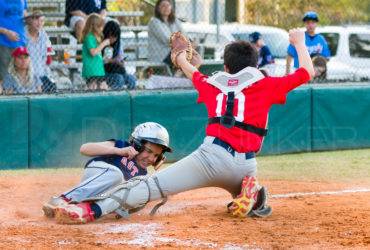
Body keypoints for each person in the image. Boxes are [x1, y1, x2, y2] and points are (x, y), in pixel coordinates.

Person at [53, 28, 314, 224]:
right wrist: (299, 42)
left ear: (225, 67)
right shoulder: (267, 83)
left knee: (150, 187)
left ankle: (88, 210)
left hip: (212, 158)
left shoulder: (213, 83)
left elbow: (188, 68)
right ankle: (253, 194)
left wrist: (180, 57)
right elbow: (308, 72)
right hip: (246, 164)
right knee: (246, 182)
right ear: (255, 66)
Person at [42, 122, 172, 218]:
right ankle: (62, 199)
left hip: (103, 193)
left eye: (156, 155)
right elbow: (85, 148)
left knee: (131, 192)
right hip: (97, 172)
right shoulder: (122, 146)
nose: (151, 158)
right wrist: (119, 151)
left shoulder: (143, 174)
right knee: (116, 175)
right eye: (149, 151)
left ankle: (74, 210)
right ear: (137, 144)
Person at [147, 0, 193, 76]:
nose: (166, 8)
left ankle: (178, 76)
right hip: (162, 53)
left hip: (177, 50)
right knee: (188, 53)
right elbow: (166, 40)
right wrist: (185, 43)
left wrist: (190, 42)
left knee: (194, 50)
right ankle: (177, 76)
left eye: (168, 5)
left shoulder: (174, 21)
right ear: (158, 9)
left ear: (171, 7)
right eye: (163, 6)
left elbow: (185, 35)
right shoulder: (154, 22)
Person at [25, 10, 56, 94]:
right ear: (31, 20)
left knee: (53, 87)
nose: (39, 23)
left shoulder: (44, 36)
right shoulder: (24, 35)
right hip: (26, 75)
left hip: (41, 74)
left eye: (41, 21)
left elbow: (48, 58)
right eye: (36, 20)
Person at [0, 0, 28, 93]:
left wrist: (30, 20)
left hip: (21, 41)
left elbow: (24, 14)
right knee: (3, 77)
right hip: (3, 43)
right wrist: (6, 32)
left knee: (20, 75)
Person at [80, 13, 112, 90]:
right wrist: (103, 44)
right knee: (92, 87)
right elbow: (93, 52)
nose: (102, 29)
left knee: (103, 87)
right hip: (92, 69)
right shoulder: (89, 37)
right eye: (100, 26)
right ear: (95, 27)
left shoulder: (94, 37)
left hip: (98, 69)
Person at [102, 21, 136, 90]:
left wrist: (120, 62)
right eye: (111, 36)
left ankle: (131, 98)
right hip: (104, 71)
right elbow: (100, 61)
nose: (113, 39)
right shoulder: (101, 42)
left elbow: (119, 58)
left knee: (131, 79)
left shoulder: (118, 43)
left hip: (115, 69)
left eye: (115, 37)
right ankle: (115, 98)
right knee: (119, 79)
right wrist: (111, 60)